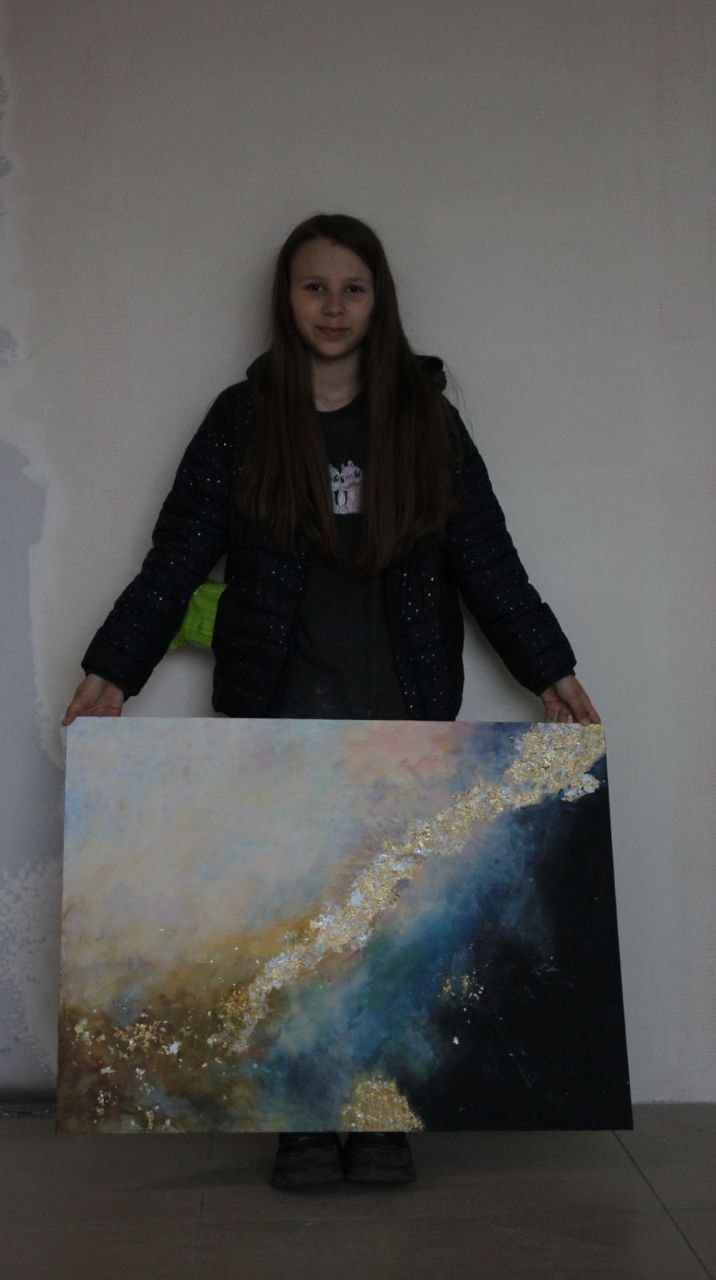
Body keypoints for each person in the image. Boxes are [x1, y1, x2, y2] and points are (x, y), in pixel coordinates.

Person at [62, 212, 599, 1190]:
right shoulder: (242, 418)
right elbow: (176, 559)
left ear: (378, 300)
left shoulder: (426, 419)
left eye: (353, 288)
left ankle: (377, 1110)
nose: (334, 307)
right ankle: (301, 1117)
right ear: (287, 298)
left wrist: (551, 670)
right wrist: (112, 669)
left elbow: (488, 563)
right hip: (278, 707)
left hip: (402, 708)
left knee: (386, 923)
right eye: (314, 286)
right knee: (295, 922)